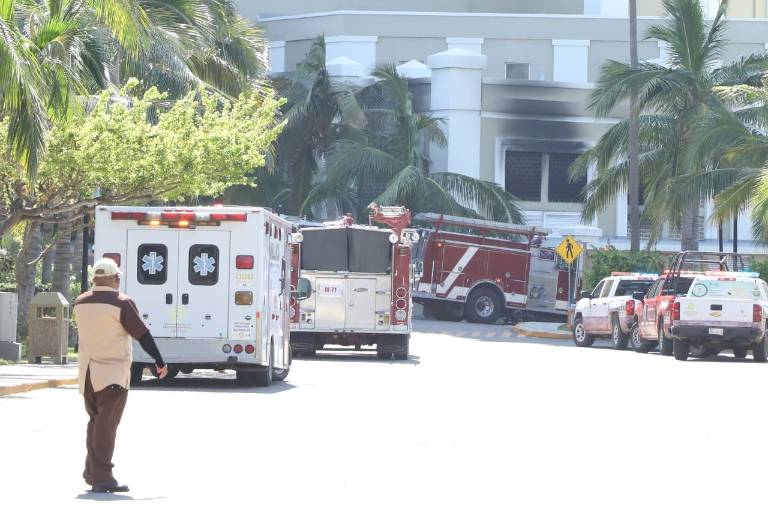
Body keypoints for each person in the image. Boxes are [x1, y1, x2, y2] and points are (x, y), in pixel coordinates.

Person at [74, 257, 168, 493]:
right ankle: (102, 477)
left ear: (95, 279)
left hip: (87, 373)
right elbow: (142, 335)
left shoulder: (80, 302)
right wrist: (159, 361)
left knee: (95, 422)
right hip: (112, 374)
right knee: (106, 426)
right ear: (115, 278)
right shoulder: (122, 303)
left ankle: (91, 470)